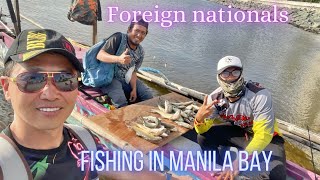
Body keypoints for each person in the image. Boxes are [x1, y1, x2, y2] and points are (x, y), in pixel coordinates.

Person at [0, 29, 188, 180]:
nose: (50, 94)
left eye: (65, 79)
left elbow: (126, 169)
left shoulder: (84, 139)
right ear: (7, 87)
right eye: (33, 79)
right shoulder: (4, 164)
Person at [194, 56, 286, 179]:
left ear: (241, 74)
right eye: (225, 73)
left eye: (235, 72)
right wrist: (199, 119)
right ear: (219, 76)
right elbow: (202, 130)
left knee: (277, 175)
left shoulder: (260, 95)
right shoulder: (214, 99)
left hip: (268, 138)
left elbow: (263, 134)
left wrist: (238, 162)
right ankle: (219, 169)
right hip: (241, 132)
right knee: (203, 137)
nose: (231, 77)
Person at [93, 16, 153, 108]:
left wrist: (134, 89)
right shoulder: (118, 38)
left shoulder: (141, 52)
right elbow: (100, 55)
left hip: (125, 79)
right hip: (109, 77)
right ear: (129, 29)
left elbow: (133, 71)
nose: (139, 35)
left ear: (145, 35)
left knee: (148, 95)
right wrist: (118, 59)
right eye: (136, 30)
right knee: (121, 101)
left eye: (143, 33)